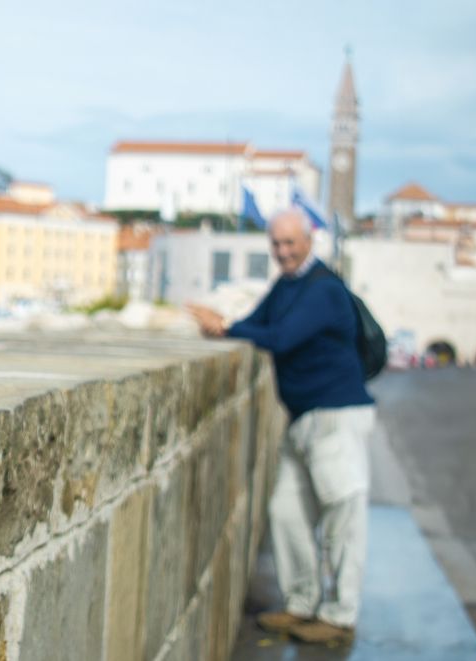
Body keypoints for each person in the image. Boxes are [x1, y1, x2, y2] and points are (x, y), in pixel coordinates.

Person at [188, 208, 375, 646]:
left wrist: (227, 326)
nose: (283, 252)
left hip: (336, 415)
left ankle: (340, 614)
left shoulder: (324, 289)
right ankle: (301, 602)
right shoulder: (288, 285)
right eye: (276, 244)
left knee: (342, 517)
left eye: (291, 243)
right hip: (304, 417)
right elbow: (259, 323)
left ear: (309, 240)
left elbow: (284, 336)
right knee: (286, 512)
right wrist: (223, 325)